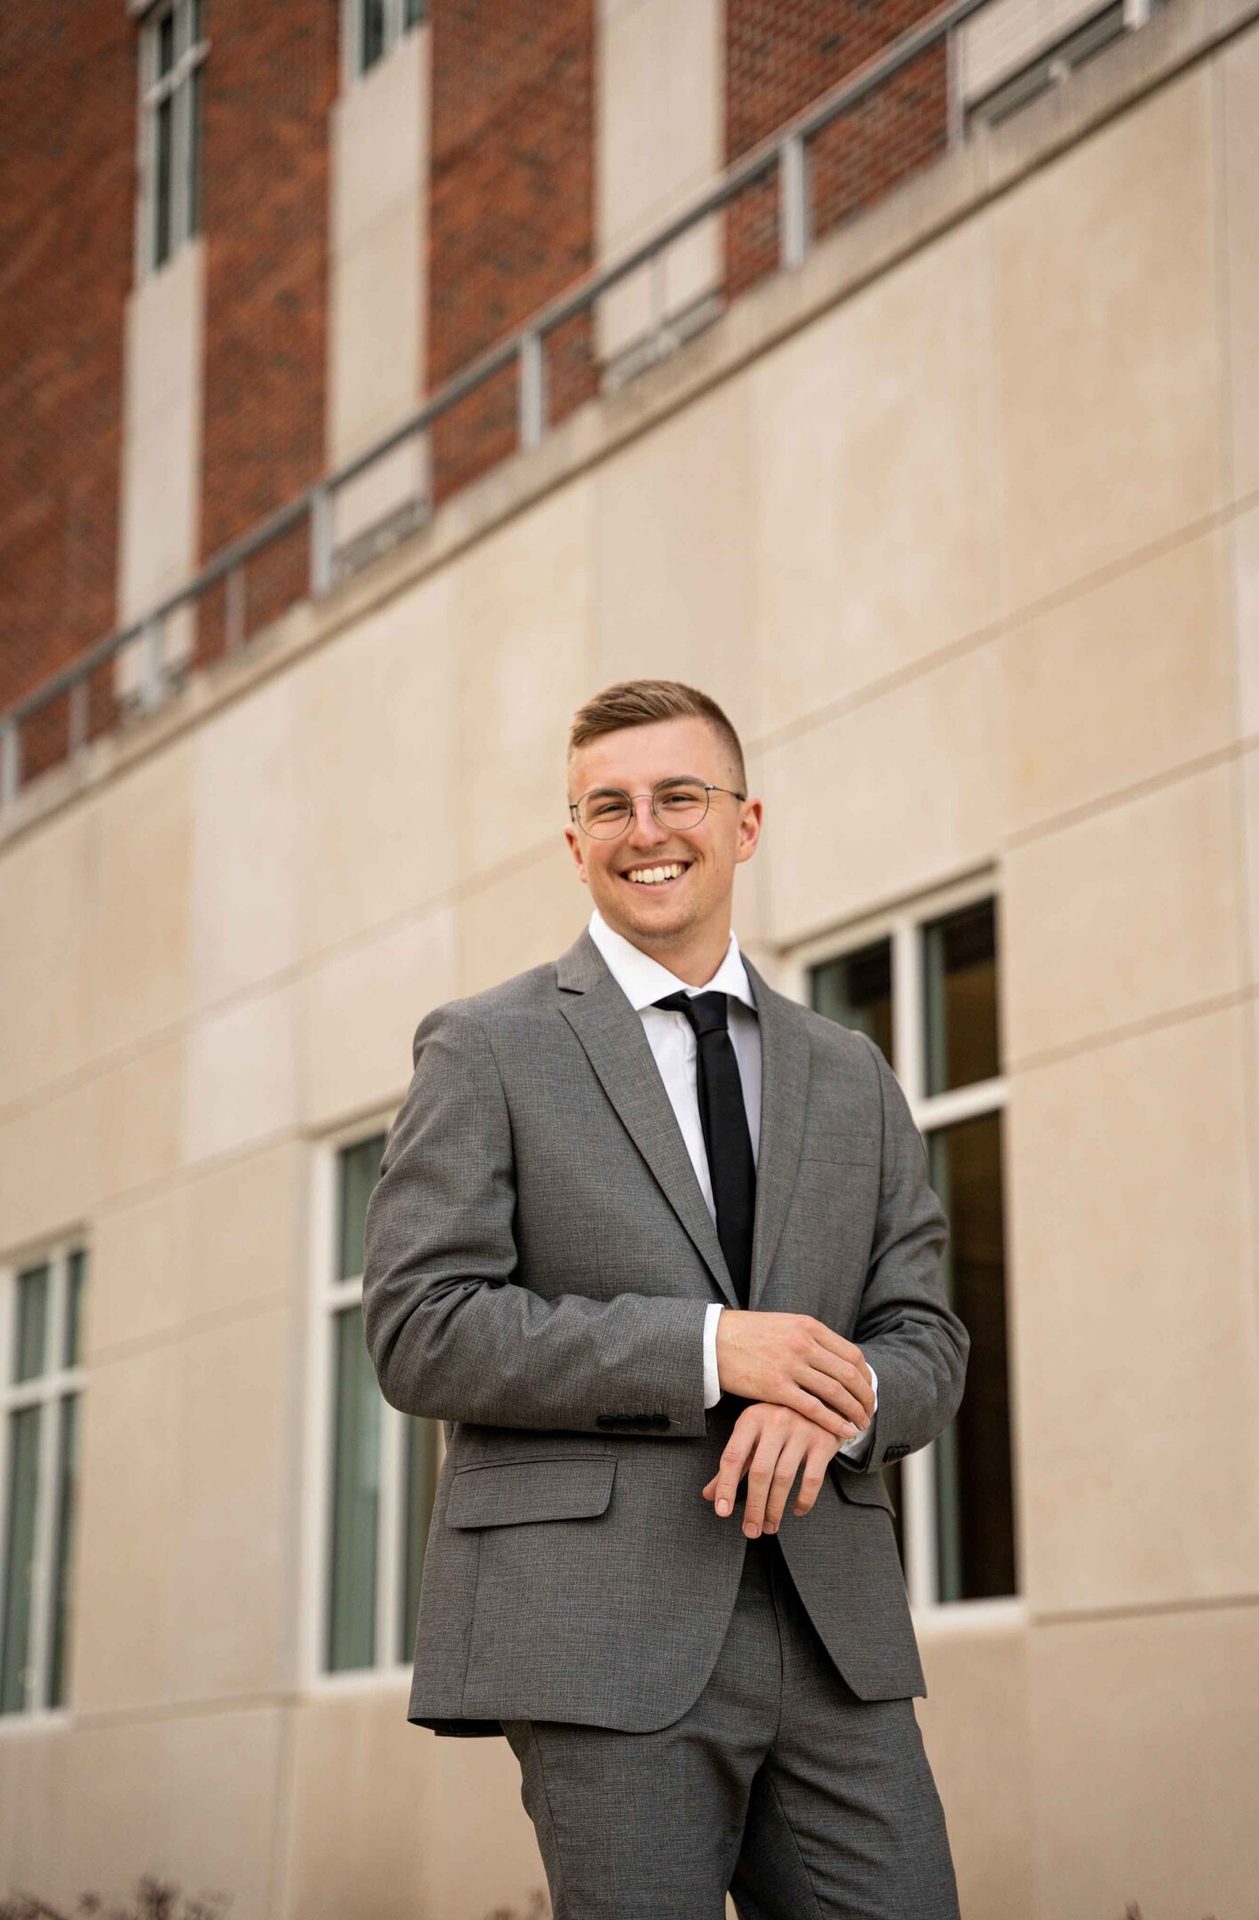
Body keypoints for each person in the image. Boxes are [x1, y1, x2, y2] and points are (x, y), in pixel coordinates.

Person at [361, 677, 970, 1919]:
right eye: (610, 806)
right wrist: (710, 1350)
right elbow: (421, 1329)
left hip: (831, 1631)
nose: (647, 830)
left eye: (679, 796)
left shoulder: (847, 1070)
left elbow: (924, 1335)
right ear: (573, 842)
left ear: (743, 823)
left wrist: (831, 1395)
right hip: (598, 1629)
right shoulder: (484, 1047)